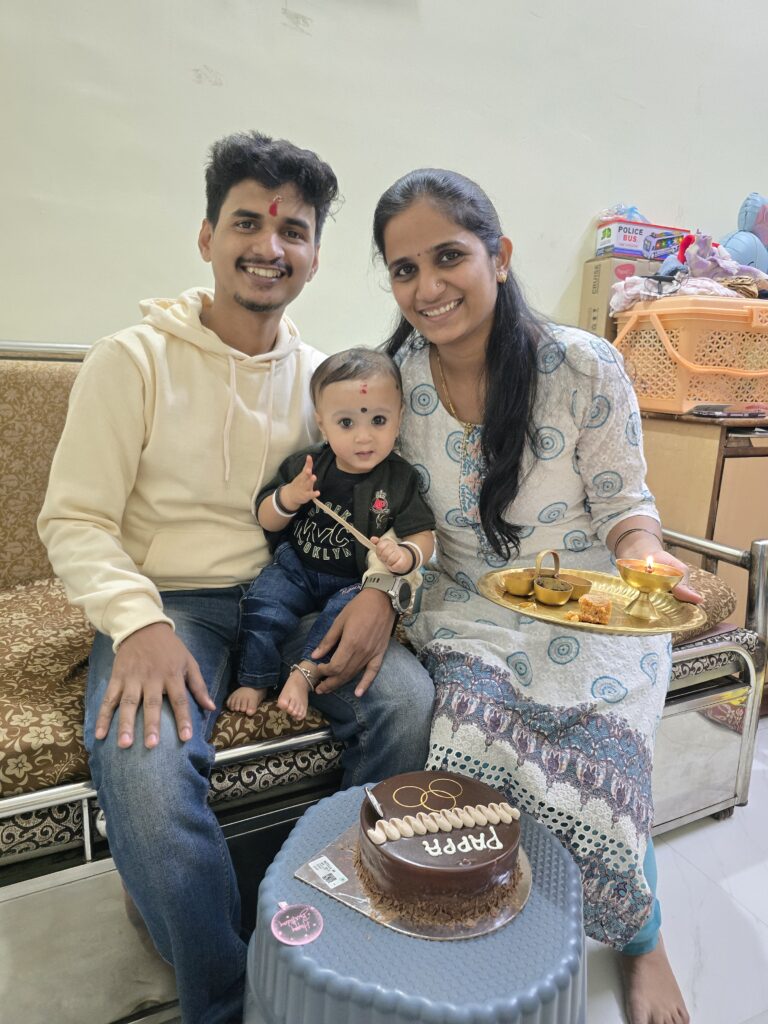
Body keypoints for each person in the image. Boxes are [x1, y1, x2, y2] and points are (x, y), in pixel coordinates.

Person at [37, 132, 435, 1024]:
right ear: (207, 234)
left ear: (316, 254)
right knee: (141, 770)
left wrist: (382, 592)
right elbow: (74, 519)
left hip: (286, 593)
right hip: (166, 606)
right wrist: (135, 623)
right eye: (247, 222)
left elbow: (382, 510)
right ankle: (227, 1003)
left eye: (293, 229)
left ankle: (328, 942)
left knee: (406, 703)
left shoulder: (326, 381)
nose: (270, 245)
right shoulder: (130, 360)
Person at [372, 167, 697, 1024]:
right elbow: (387, 514)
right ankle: (498, 928)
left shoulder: (583, 367)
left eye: (449, 257)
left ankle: (642, 937)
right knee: (467, 750)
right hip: (463, 604)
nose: (428, 288)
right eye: (404, 270)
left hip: (591, 604)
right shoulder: (391, 385)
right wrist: (381, 588)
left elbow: (629, 508)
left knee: (607, 766)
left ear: (500, 255)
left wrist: (647, 566)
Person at [227, 347, 435, 719]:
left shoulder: (400, 479)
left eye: (378, 420)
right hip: (296, 568)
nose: (364, 437)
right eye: (346, 424)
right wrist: (290, 497)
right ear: (322, 424)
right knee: (263, 606)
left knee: (341, 623)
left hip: (351, 583)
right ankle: (254, 677)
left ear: (399, 418)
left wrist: (406, 555)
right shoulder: (308, 465)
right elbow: (266, 518)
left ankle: (304, 675)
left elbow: (423, 534)